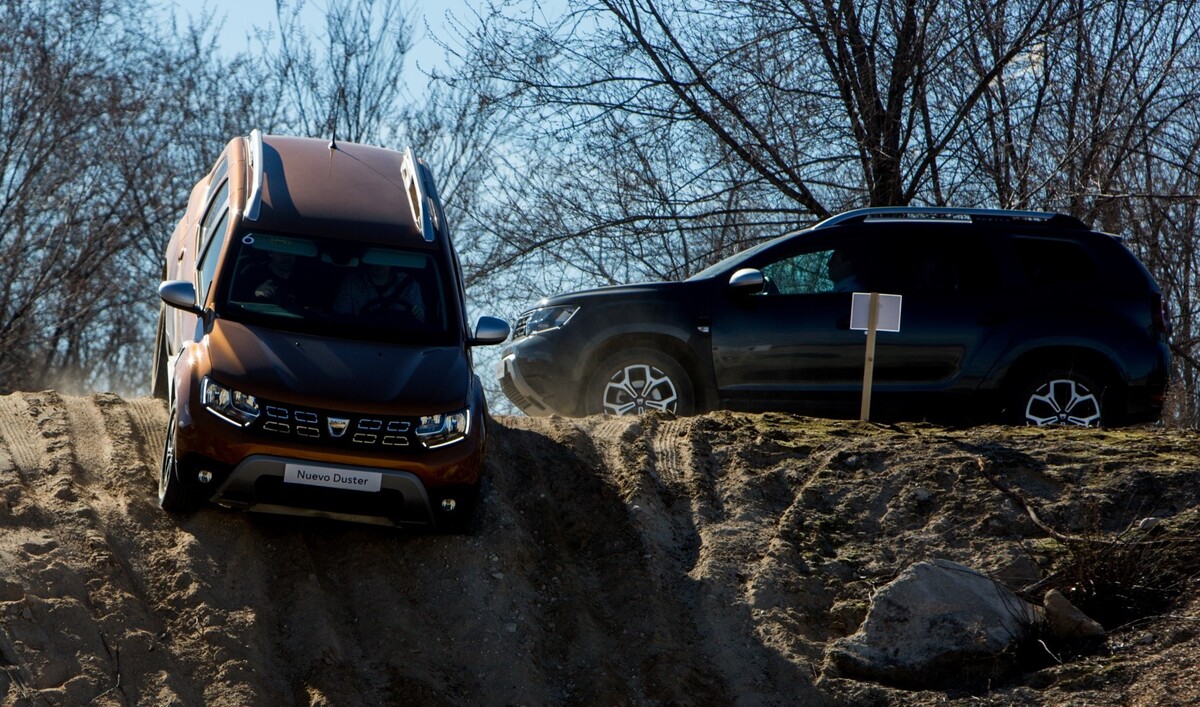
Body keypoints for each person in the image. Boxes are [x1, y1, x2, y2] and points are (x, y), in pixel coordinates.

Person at [334, 263, 425, 322]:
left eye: (385, 260)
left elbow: (419, 321)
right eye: (375, 259)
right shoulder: (351, 282)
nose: (380, 265)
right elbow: (340, 319)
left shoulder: (410, 284)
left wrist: (418, 314)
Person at [234, 250, 303, 306]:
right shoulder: (253, 272)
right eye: (281, 253)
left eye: (291, 253)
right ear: (270, 253)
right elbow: (235, 299)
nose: (286, 257)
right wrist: (255, 293)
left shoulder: (305, 278)